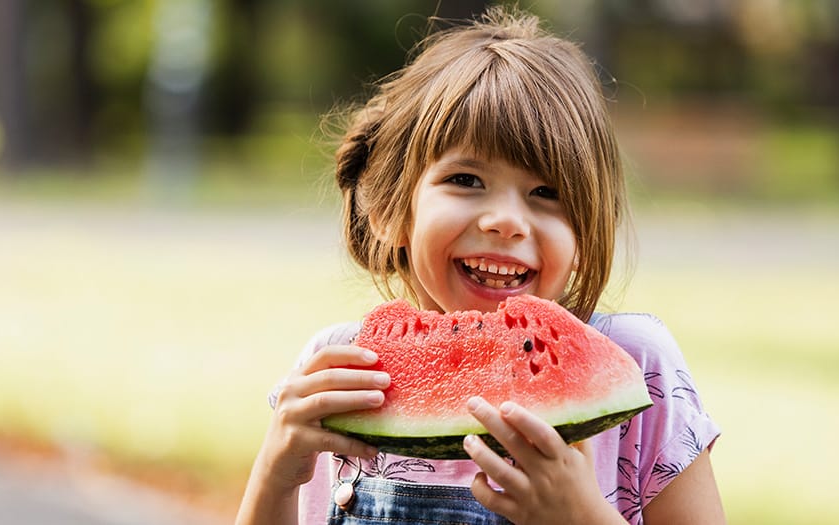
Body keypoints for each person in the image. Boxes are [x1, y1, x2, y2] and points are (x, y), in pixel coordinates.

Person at [236, 7, 724, 525]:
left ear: (586, 230)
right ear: (387, 210)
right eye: (466, 180)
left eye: (547, 192)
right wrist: (275, 472)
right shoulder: (341, 370)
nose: (506, 222)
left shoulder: (639, 365)